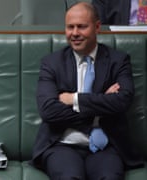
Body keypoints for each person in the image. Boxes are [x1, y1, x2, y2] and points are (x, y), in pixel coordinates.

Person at [31, 2, 144, 179]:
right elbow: (49, 112)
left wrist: (74, 99)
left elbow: (122, 101)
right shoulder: (52, 63)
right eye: (70, 27)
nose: (75, 33)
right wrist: (101, 104)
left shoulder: (118, 61)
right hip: (62, 144)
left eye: (82, 27)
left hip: (106, 146)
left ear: (97, 27)